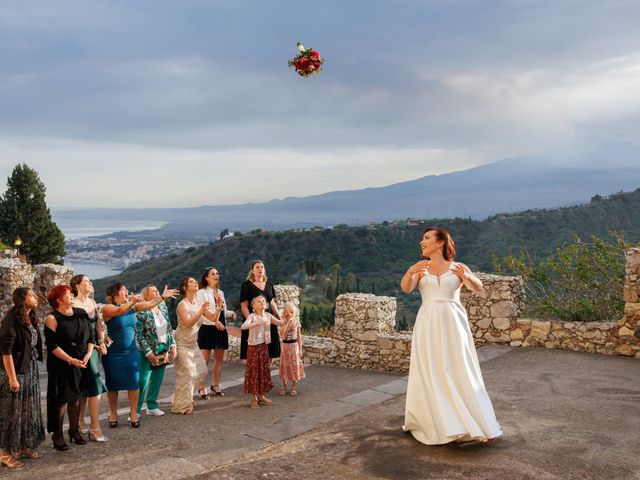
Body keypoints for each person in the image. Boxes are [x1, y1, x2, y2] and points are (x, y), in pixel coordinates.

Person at [400, 227, 502, 445]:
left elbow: (477, 287)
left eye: (426, 238)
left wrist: (465, 277)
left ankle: (479, 423)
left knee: (459, 367)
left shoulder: (458, 267)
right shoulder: (421, 268)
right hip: (428, 321)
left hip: (453, 322)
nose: (421, 242)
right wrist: (410, 271)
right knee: (431, 369)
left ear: (440, 243)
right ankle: (436, 422)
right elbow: (407, 289)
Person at [102, 282, 177, 428]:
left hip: (131, 351)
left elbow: (149, 305)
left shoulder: (134, 307)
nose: (127, 291)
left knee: (134, 383)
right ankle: (113, 413)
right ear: (115, 294)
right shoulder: (108, 308)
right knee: (113, 385)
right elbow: (120, 311)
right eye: (123, 289)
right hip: (113, 353)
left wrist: (162, 297)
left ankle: (133, 413)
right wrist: (131, 302)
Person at [0, 288, 45, 469]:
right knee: (11, 413)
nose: (35, 297)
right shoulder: (10, 320)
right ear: (22, 299)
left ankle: (25, 445)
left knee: (28, 410)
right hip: (15, 372)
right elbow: (6, 350)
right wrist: (12, 378)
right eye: (32, 295)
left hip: (30, 370)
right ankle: (4, 453)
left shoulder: (30, 316)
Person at [44, 284, 92, 451]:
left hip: (81, 360)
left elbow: (90, 336)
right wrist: (70, 360)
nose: (72, 294)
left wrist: (88, 354)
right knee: (61, 400)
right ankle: (57, 435)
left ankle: (74, 431)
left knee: (76, 398)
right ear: (58, 299)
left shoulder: (81, 313)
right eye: (68, 293)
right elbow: (52, 346)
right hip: (61, 363)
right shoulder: (52, 318)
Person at [171, 277, 218, 414]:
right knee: (188, 374)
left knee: (202, 371)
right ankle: (181, 407)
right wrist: (201, 310)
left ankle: (182, 397)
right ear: (185, 288)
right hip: (182, 343)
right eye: (191, 282)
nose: (195, 283)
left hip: (193, 343)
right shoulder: (182, 305)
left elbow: (213, 318)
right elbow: (188, 323)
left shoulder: (198, 303)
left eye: (195, 281)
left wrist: (219, 306)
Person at [70, 274, 108, 442]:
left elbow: (98, 324)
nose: (90, 283)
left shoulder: (92, 302)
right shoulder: (73, 304)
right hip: (79, 350)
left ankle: (80, 421)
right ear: (77, 285)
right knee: (93, 387)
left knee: (88, 387)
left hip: (93, 350)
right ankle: (95, 427)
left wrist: (102, 341)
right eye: (86, 281)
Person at [134, 284, 177, 417]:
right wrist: (147, 351)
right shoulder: (142, 309)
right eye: (154, 291)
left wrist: (173, 346)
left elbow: (169, 328)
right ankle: (135, 410)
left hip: (162, 347)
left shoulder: (163, 306)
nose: (157, 292)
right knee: (142, 380)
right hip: (146, 350)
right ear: (146, 295)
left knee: (157, 379)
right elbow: (138, 334)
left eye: (157, 290)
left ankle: (152, 405)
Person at [196, 267, 236, 397]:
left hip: (221, 327)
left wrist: (231, 313)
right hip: (208, 327)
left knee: (219, 359)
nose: (216, 275)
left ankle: (215, 384)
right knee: (204, 361)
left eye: (217, 273)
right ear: (206, 277)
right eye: (213, 274)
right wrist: (214, 322)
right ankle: (201, 387)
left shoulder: (221, 292)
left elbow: (222, 310)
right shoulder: (201, 293)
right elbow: (202, 314)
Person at [241, 295, 284, 409]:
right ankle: (254, 398)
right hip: (253, 347)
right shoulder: (252, 316)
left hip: (264, 346)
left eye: (263, 301)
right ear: (253, 306)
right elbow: (243, 326)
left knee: (263, 371)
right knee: (254, 371)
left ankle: (261, 396)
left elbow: (280, 323)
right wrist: (256, 324)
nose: (262, 303)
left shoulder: (268, 316)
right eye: (259, 301)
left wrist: (289, 317)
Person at [239, 260, 281, 361]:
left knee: (270, 349)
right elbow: (244, 305)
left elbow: (271, 302)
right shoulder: (247, 285)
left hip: (268, 319)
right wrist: (251, 321)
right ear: (252, 271)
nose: (260, 269)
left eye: (262, 267)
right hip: (253, 321)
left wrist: (278, 315)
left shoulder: (269, 283)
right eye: (257, 267)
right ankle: (255, 375)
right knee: (253, 351)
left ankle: (265, 374)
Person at [278, 302, 305, 397]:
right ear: (284, 312)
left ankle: (294, 386)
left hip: (294, 347)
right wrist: (287, 323)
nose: (288, 314)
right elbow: (282, 334)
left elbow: (299, 337)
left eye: (291, 312)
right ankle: (284, 386)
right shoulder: (282, 322)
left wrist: (300, 350)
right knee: (285, 366)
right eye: (286, 311)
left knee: (294, 366)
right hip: (285, 346)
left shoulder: (297, 323)